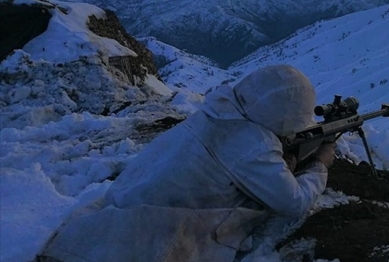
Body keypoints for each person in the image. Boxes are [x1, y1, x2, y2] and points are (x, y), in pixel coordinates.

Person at [39, 65, 335, 262]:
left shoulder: (218, 111)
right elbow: (294, 202)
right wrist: (320, 164)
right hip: (148, 235)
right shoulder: (252, 144)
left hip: (123, 205)